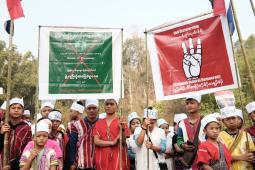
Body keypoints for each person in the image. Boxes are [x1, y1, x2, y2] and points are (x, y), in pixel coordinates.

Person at [93, 98, 130, 170]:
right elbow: (96, 141)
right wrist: (112, 142)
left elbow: (123, 142)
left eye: (111, 104)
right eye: (107, 104)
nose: (108, 106)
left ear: (117, 107)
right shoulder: (98, 123)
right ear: (104, 107)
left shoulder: (122, 121)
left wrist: (122, 129)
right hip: (102, 159)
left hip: (118, 159)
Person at [0, 98, 32, 170]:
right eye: (13, 108)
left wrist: (13, 165)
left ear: (22, 111)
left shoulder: (27, 128)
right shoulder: (3, 126)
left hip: (19, 165)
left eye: (19, 108)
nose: (16, 110)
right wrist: (1, 134)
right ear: (8, 110)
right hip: (2, 164)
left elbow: (28, 150)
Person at [69, 99, 99, 170]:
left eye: (94, 108)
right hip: (82, 163)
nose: (91, 110)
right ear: (85, 110)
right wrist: (72, 162)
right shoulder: (76, 124)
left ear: (98, 109)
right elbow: (72, 144)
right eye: (89, 108)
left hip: (99, 163)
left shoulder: (102, 124)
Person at [177, 95, 204, 169]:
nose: (189, 105)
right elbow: (179, 139)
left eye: (192, 103)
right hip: (189, 160)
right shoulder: (181, 123)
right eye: (187, 103)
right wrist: (182, 145)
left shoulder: (206, 121)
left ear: (199, 105)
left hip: (204, 159)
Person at [64, 102, 84, 170]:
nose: (70, 113)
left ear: (77, 112)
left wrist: (72, 162)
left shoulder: (75, 125)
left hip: (77, 160)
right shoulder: (72, 124)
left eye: (71, 111)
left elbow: (72, 144)